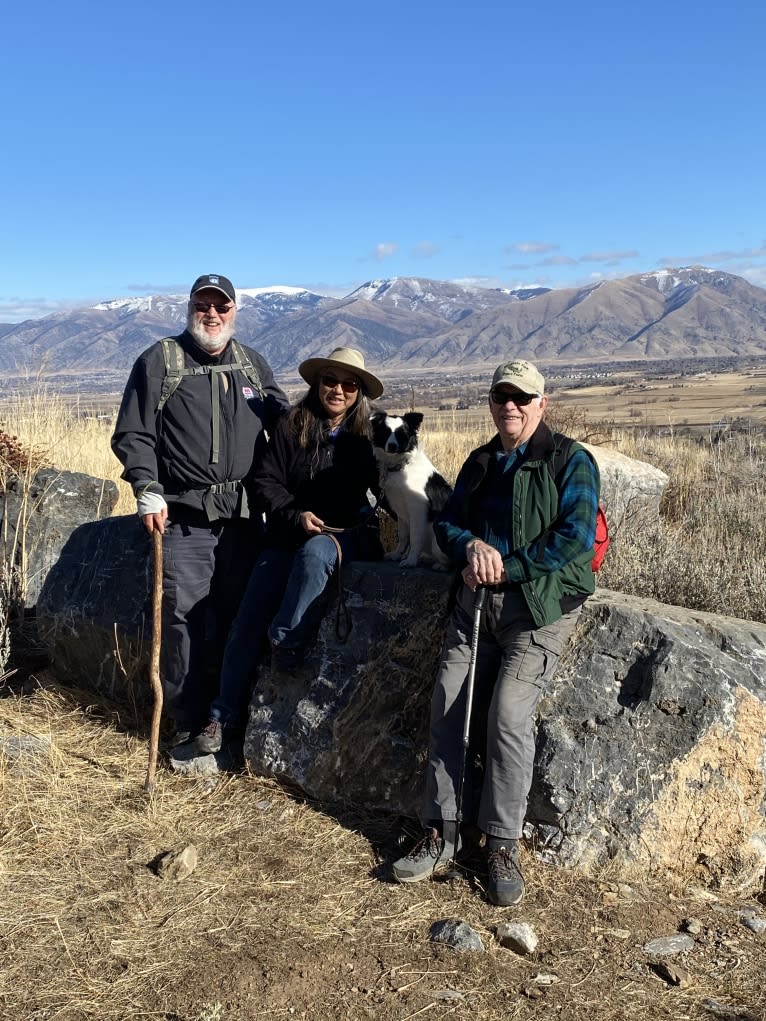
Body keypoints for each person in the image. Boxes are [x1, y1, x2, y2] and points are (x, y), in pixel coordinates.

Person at [391, 359, 599, 906]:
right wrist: (470, 548)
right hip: (476, 601)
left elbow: (574, 537)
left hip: (540, 604)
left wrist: (506, 566)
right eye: (501, 395)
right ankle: (442, 830)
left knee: (507, 713)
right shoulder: (481, 462)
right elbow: (447, 521)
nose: (510, 405)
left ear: (541, 404)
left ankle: (501, 841)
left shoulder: (571, 461)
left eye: (522, 397)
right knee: (447, 700)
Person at [111, 273, 289, 745]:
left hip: (244, 520)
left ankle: (226, 717)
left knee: (237, 617)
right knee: (181, 619)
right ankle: (186, 720)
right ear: (189, 307)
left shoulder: (253, 365)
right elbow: (134, 432)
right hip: (183, 516)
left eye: (221, 307)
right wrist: (145, 485)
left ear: (235, 311)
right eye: (203, 305)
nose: (212, 314)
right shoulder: (159, 361)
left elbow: (288, 430)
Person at [189, 346, 384, 755]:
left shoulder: (370, 436)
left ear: (358, 392)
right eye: (330, 380)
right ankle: (221, 718)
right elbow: (265, 481)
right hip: (286, 532)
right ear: (317, 383)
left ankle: (286, 642)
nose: (338, 390)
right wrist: (295, 514)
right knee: (246, 620)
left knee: (316, 557)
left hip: (343, 534)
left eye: (349, 384)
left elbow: (390, 485)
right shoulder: (290, 426)